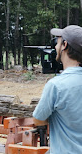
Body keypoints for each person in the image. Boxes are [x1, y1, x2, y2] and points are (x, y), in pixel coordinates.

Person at [33, 25, 82, 153]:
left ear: (64, 45)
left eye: (58, 42)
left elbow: (38, 119)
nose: (55, 47)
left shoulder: (56, 85)